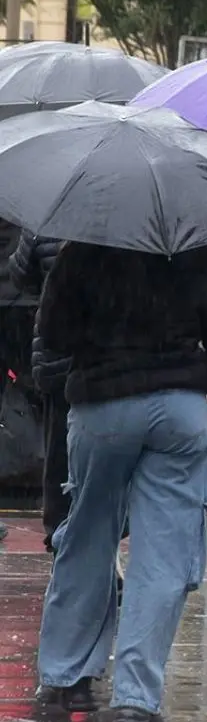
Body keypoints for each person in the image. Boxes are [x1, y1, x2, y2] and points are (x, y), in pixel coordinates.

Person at [34, 242, 207, 722]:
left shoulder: (85, 249)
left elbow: (53, 334)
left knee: (88, 536)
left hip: (102, 405)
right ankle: (136, 696)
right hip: (178, 407)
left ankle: (70, 676)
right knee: (163, 553)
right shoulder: (197, 251)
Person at [6, 227, 70, 552]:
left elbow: (21, 274)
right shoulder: (124, 218)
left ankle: (60, 535)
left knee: (59, 450)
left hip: (58, 352)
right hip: (108, 361)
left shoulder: (47, 215)